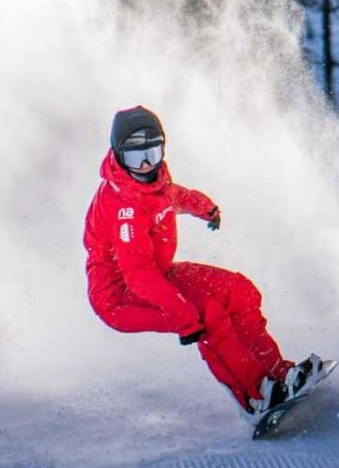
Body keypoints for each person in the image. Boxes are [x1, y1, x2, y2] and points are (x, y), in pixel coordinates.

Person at [82, 104, 320, 420]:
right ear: (117, 155)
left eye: (151, 154)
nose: (144, 165)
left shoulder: (150, 181)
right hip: (121, 294)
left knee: (238, 291)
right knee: (206, 315)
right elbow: (138, 274)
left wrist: (204, 207)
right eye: (134, 157)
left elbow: (171, 196)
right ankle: (257, 395)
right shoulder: (122, 205)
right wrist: (182, 314)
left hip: (159, 276)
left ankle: (279, 374)